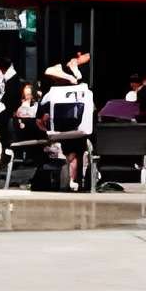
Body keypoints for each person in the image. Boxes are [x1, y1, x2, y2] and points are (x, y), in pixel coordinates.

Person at [40, 55, 95, 193]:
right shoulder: (56, 92)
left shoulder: (77, 91)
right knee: (73, 152)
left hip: (72, 129)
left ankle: (72, 179)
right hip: (68, 129)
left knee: (74, 152)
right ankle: (72, 180)